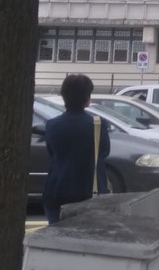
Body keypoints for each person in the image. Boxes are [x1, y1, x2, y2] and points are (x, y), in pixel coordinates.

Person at [43, 74, 110, 224]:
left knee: (57, 235)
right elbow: (104, 152)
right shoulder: (98, 124)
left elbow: (52, 153)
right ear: (87, 98)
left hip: (57, 190)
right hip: (89, 190)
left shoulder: (52, 125)